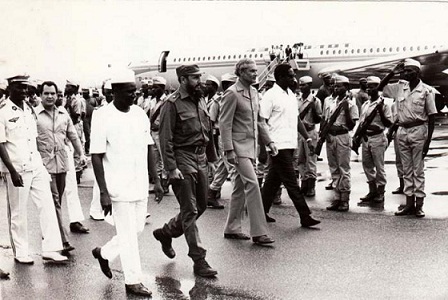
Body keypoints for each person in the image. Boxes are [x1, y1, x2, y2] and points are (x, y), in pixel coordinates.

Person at [90, 69, 163, 296]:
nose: (134, 94)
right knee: (129, 236)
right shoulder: (102, 115)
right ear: (115, 92)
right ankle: (133, 280)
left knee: (137, 229)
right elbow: (96, 155)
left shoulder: (140, 114)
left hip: (140, 184)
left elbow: (150, 146)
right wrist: (103, 191)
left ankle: (104, 253)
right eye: (130, 91)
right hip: (117, 187)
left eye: (135, 91)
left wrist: (157, 179)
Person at [154, 64, 218, 278]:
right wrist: (171, 169)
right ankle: (199, 260)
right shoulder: (172, 104)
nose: (200, 81)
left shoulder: (200, 98)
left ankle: (167, 232)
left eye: (200, 77)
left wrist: (211, 158)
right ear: (182, 79)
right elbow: (165, 139)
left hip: (200, 157)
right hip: (182, 158)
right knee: (189, 209)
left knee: (201, 205)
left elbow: (207, 129)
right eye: (194, 78)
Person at [0, 74, 67, 263]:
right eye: (19, 87)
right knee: (18, 211)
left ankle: (52, 248)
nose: (24, 91)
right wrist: (11, 171)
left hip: (36, 164)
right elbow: (1, 143)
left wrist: (42, 166)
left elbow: (33, 139)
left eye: (25, 88)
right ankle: (21, 252)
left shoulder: (29, 109)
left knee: (47, 205)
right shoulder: (3, 111)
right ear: (10, 88)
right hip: (17, 167)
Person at [219, 58, 275, 244]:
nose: (255, 73)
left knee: (239, 188)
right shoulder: (232, 93)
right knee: (252, 184)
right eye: (251, 71)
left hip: (250, 147)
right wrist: (229, 150)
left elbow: (259, 121)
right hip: (237, 148)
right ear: (241, 73)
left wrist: (269, 142)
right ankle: (259, 232)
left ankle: (232, 227)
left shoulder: (254, 92)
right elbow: (224, 124)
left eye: (255, 70)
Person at [259, 65, 320, 227]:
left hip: (290, 143)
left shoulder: (291, 95)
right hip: (276, 145)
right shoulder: (270, 96)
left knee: (272, 182)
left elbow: (296, 119)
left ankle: (260, 212)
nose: (294, 79)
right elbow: (261, 122)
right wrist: (263, 147)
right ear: (280, 77)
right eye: (290, 76)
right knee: (292, 182)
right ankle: (305, 215)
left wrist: (307, 139)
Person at [380, 59, 437, 218]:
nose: (406, 73)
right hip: (402, 130)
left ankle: (419, 205)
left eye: (410, 70)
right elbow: (380, 88)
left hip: (419, 130)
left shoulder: (426, 91)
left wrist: (428, 142)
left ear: (418, 72)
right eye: (405, 71)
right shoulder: (399, 88)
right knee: (406, 169)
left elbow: (432, 117)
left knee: (417, 169)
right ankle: (408, 204)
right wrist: (392, 71)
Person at [35, 81, 87, 255]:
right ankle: (62, 240)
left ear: (57, 95)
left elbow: (73, 135)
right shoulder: (34, 115)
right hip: (44, 164)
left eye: (53, 93)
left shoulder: (63, 114)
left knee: (58, 199)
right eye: (46, 93)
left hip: (62, 163)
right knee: (54, 200)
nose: (50, 97)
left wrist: (81, 154)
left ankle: (50, 234)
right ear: (40, 95)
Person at [356, 76, 393, 206]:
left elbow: (389, 123)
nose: (369, 89)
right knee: (367, 165)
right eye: (368, 86)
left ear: (378, 88)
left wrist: (381, 111)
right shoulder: (365, 104)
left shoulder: (385, 104)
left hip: (378, 138)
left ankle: (380, 192)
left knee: (379, 167)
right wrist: (357, 138)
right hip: (366, 138)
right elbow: (361, 123)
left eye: (372, 86)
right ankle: (372, 191)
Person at [324, 75, 359, 212]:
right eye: (335, 85)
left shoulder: (351, 104)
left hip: (342, 137)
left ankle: (345, 199)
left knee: (343, 168)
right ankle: (337, 197)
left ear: (347, 88)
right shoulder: (329, 102)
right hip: (330, 137)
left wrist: (345, 109)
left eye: (339, 86)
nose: (336, 88)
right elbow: (325, 120)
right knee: (333, 168)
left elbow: (351, 125)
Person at [207, 73, 237, 208]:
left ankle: (211, 193)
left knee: (223, 167)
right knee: (233, 168)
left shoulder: (232, 98)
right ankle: (241, 200)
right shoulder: (218, 101)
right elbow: (211, 123)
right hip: (223, 137)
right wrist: (213, 143)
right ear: (226, 85)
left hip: (232, 136)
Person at [89, 79, 113, 221]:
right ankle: (95, 209)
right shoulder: (100, 111)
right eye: (109, 93)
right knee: (100, 180)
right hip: (103, 149)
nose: (111, 96)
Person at [297, 76, 322, 197]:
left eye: (304, 85)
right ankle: (304, 182)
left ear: (310, 86)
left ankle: (311, 186)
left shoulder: (316, 101)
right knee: (300, 159)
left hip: (310, 132)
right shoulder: (297, 99)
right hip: (299, 133)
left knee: (311, 160)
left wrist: (313, 109)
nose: (301, 88)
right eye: (300, 85)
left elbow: (318, 119)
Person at [148, 76, 169, 197]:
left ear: (162, 88)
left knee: (164, 157)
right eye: (152, 87)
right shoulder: (152, 101)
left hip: (162, 132)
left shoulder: (166, 101)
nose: (153, 90)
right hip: (153, 132)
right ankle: (158, 182)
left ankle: (165, 182)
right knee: (156, 158)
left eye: (156, 87)